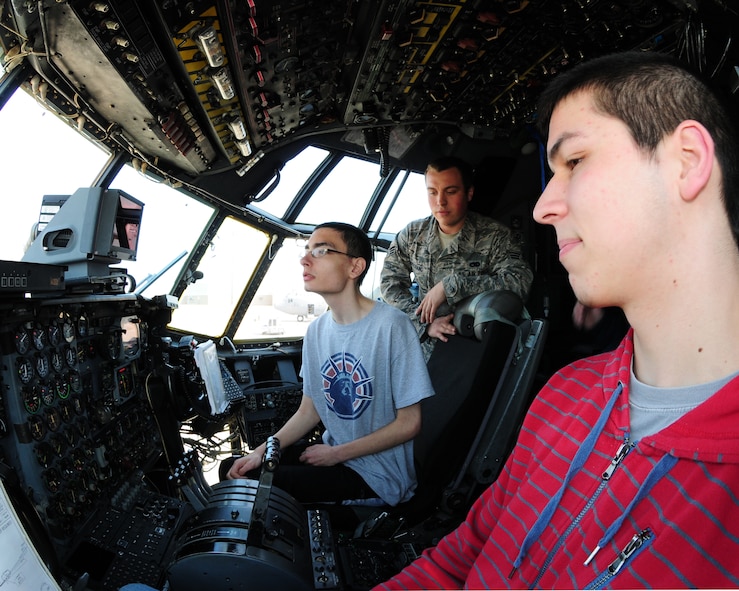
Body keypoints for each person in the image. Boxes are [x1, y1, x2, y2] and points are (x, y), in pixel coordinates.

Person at [377, 50, 739, 588]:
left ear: (686, 160)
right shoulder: (563, 396)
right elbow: (461, 559)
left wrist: (455, 287)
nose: (543, 207)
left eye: (574, 161)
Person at [224, 222, 435, 506]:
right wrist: (260, 452)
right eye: (307, 250)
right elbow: (309, 411)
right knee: (234, 468)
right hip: (335, 455)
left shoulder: (392, 326)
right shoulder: (316, 331)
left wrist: (337, 454)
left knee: (253, 486)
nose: (305, 259)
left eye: (321, 251)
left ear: (354, 267)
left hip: (378, 477)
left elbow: (410, 424)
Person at [380, 156, 533, 360]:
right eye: (432, 192)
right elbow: (390, 284)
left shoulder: (495, 236)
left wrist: (453, 285)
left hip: (474, 350)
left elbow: (519, 282)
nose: (440, 201)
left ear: (469, 193)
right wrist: (423, 324)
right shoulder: (412, 235)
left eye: (450, 192)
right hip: (423, 349)